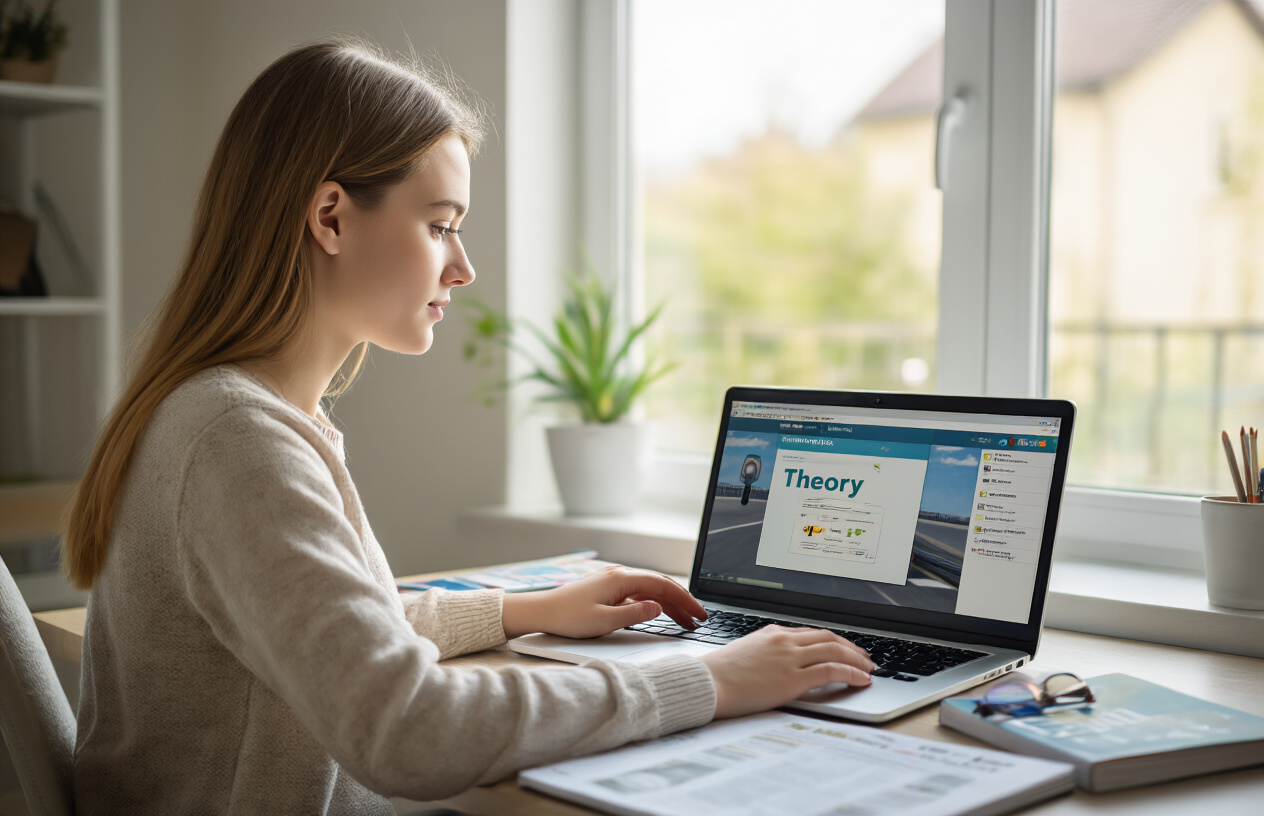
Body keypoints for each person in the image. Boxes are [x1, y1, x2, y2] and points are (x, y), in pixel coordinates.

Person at [61, 38, 874, 814]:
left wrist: (524, 610)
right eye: (440, 224)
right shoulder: (239, 443)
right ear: (331, 218)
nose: (463, 266)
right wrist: (711, 681)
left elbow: (339, 632)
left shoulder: (235, 415)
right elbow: (410, 730)